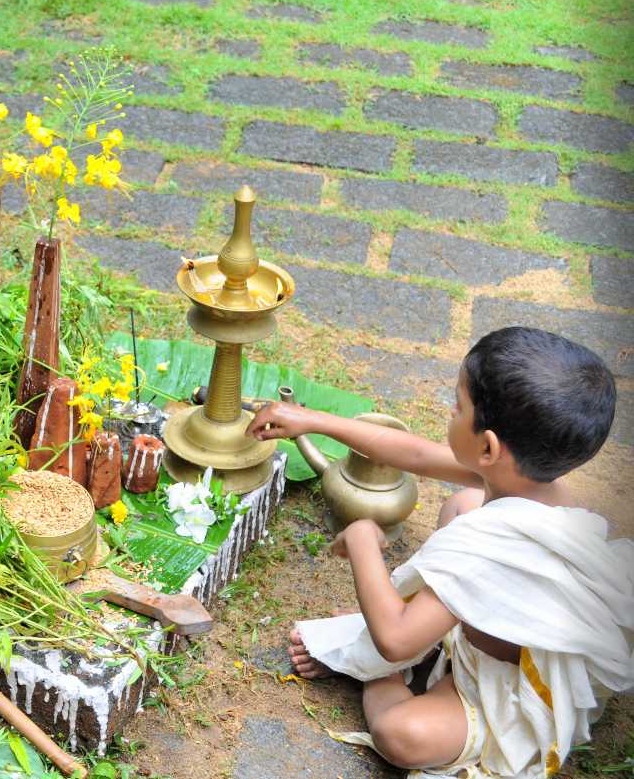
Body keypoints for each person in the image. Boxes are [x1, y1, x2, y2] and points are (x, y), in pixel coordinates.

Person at [244, 326, 633, 779]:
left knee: (401, 734)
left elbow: (394, 641)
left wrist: (364, 537)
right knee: (461, 506)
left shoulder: (490, 549)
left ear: (488, 447)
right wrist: (312, 420)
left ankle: (385, 677)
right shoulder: (530, 483)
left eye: (457, 405)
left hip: (502, 686)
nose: (448, 411)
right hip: (488, 626)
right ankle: (423, 636)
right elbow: (418, 455)